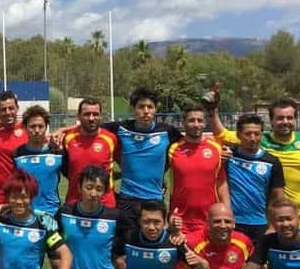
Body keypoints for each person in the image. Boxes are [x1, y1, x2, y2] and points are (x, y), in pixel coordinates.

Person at [208, 95, 300, 228]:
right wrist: (213, 110)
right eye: (280, 118)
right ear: (271, 120)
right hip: (270, 214)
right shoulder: (259, 138)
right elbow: (222, 133)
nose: (285, 121)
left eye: (289, 117)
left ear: (295, 119)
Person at [101, 87, 181, 228]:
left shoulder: (167, 132)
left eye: (150, 107)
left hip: (154, 200)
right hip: (127, 200)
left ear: (155, 109)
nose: (146, 111)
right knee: (127, 240)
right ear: (133, 109)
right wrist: (63, 130)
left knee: (152, 239)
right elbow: (90, 127)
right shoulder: (122, 128)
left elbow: (190, 143)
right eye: (141, 107)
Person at [167, 104, 229, 241]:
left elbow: (221, 183)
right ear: (183, 122)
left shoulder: (217, 149)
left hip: (210, 221)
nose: (196, 124)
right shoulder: (172, 149)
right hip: (179, 221)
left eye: (200, 120)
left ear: (205, 123)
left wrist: (227, 213)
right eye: (191, 120)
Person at [223, 114, 286, 244]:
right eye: (248, 134)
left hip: (260, 224)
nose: (253, 138)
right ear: (238, 135)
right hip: (232, 223)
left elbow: (278, 197)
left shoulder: (272, 162)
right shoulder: (228, 157)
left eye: (257, 134)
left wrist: (272, 226)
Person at [59, 98, 117, 209]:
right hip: (74, 202)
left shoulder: (111, 138)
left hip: (105, 203)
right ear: (78, 116)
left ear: (100, 116)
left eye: (95, 114)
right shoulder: (68, 138)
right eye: (86, 114)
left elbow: (123, 164)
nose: (91, 118)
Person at [12, 105, 63, 216]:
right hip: (26, 213)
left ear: (46, 127)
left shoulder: (57, 152)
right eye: (32, 126)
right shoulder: (17, 154)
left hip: (51, 212)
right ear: (25, 128)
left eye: (41, 126)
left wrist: (62, 130)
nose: (37, 130)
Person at [0, 90, 26, 206]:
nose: (7, 112)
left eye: (11, 108)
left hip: (19, 191)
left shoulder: (27, 128)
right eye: (3, 109)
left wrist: (61, 130)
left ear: (17, 108)